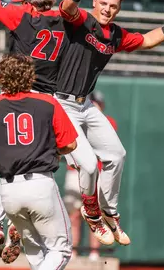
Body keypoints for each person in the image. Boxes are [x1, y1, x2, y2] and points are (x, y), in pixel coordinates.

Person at [56, 0, 164, 246]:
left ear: (118, 9)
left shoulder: (115, 34)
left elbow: (146, 40)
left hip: (85, 104)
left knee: (117, 155)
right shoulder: (83, 20)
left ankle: (109, 212)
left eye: (114, 6)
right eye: (104, 4)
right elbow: (65, 8)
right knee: (87, 165)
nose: (108, 9)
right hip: (61, 102)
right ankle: (92, 212)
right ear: (95, 2)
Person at [0, 0, 68, 262]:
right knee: (39, 163)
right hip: (49, 99)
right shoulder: (63, 20)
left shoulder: (23, 17)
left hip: (17, 92)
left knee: (2, 163)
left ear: (28, 3)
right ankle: (19, 226)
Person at [0, 54, 78, 270]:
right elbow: (70, 145)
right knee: (60, 250)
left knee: (37, 254)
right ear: (29, 76)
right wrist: (55, 152)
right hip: (40, 184)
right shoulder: (47, 102)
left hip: (8, 191)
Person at [63, 90, 116, 261]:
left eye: (96, 103)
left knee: (96, 215)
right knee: (74, 214)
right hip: (76, 173)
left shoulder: (107, 122)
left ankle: (94, 252)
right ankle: (74, 250)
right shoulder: (76, 119)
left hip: (98, 175)